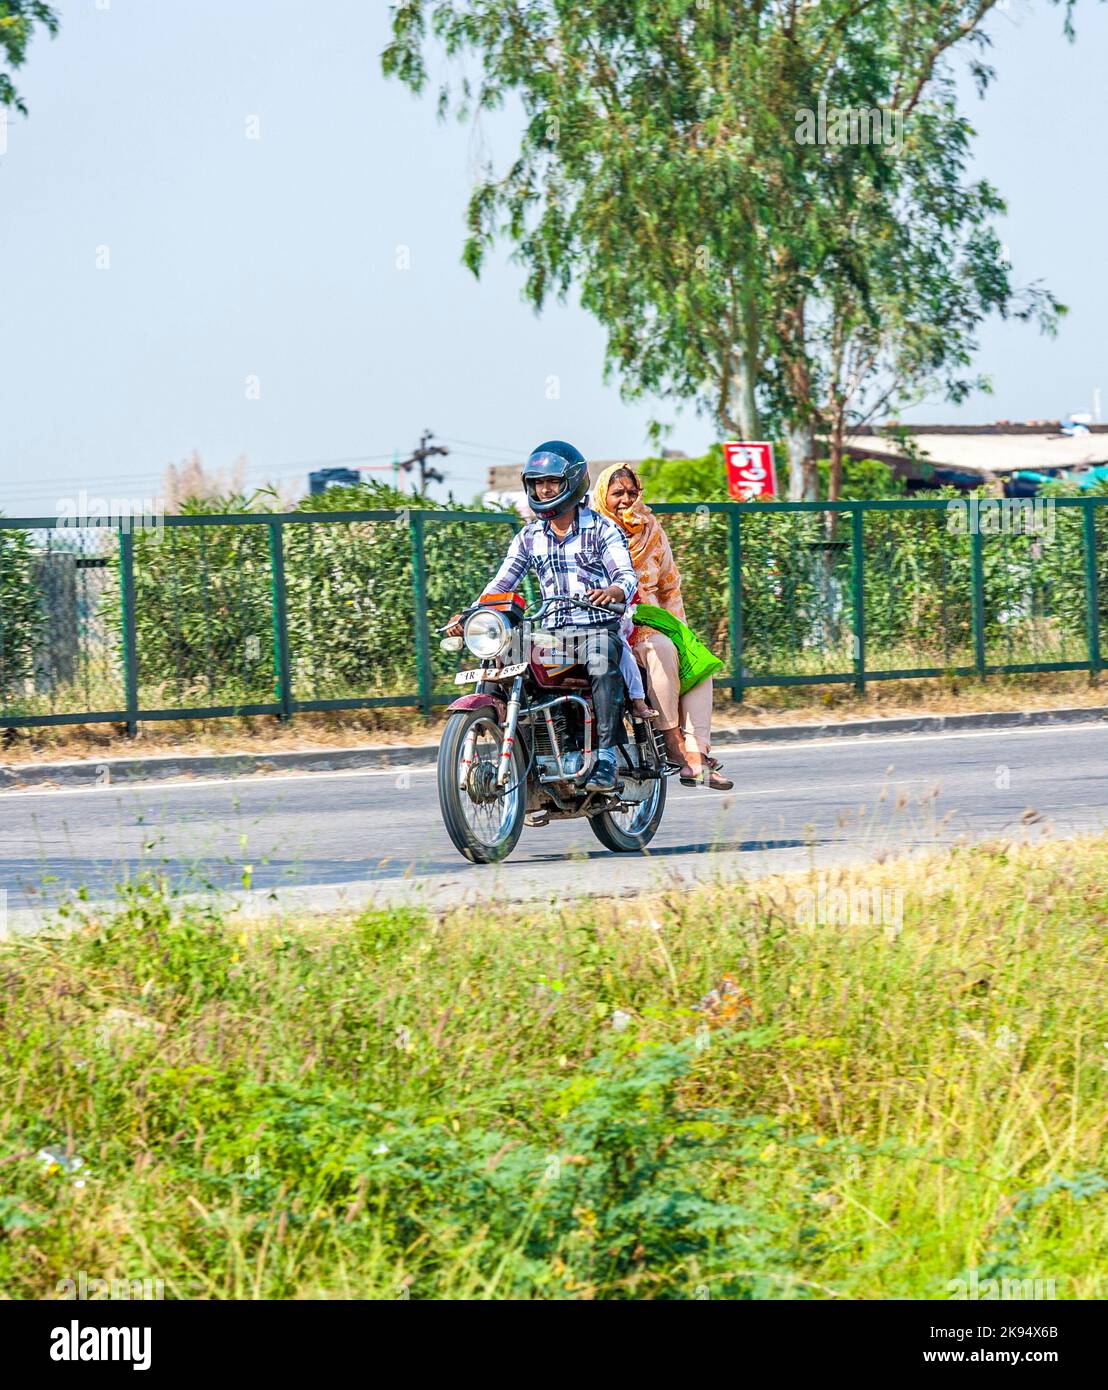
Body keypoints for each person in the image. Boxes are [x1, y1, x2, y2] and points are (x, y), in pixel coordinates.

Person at [446, 441, 644, 794]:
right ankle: (529, 757)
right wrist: (472, 613)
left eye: (552, 482)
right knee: (503, 659)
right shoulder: (528, 537)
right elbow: (500, 584)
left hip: (595, 627)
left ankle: (606, 755)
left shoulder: (601, 529)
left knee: (601, 655)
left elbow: (626, 576)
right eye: (537, 483)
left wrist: (613, 592)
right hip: (552, 633)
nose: (544, 489)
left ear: (572, 483)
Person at [592, 463, 733, 791]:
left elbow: (670, 587)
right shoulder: (592, 532)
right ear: (602, 496)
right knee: (661, 648)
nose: (626, 500)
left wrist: (681, 631)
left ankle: (697, 754)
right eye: (617, 493)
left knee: (697, 659)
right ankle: (673, 744)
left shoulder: (652, 530)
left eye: (631, 492)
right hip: (610, 621)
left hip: (654, 620)